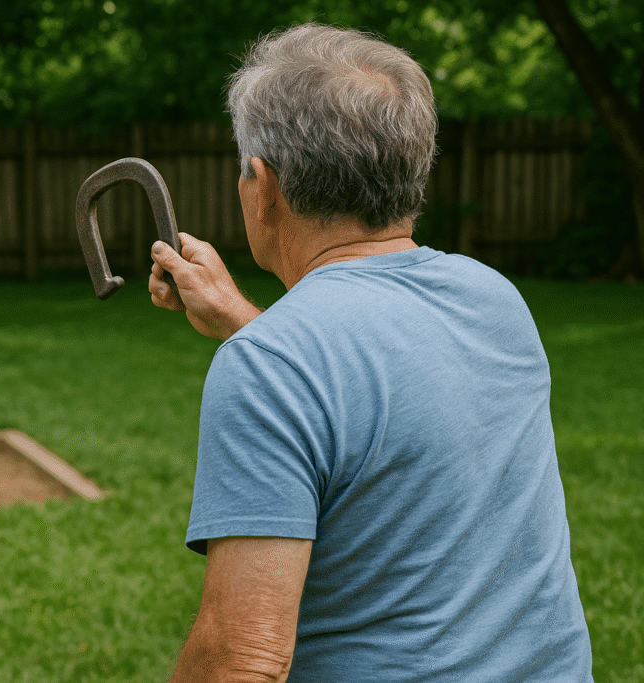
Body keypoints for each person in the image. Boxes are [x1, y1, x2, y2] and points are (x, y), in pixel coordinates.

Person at [149, 24, 593, 682]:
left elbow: (241, 661)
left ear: (264, 186)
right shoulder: (493, 299)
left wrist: (260, 341)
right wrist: (244, 320)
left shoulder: (272, 366)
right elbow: (379, 389)